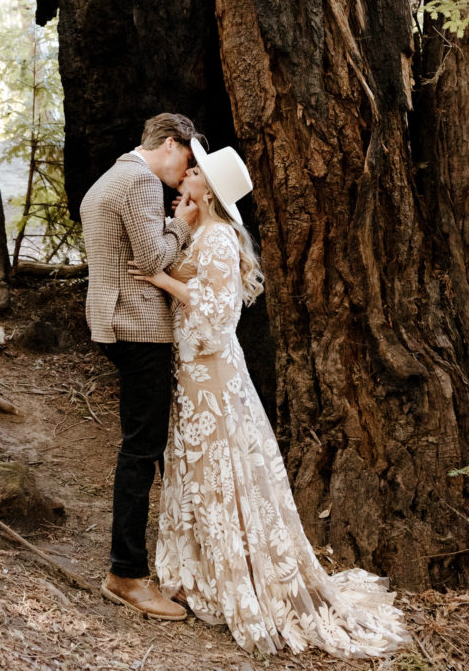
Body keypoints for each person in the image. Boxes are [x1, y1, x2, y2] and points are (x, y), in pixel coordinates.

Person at [128, 140, 411, 657]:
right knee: (200, 469)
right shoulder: (204, 232)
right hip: (195, 375)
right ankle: (201, 569)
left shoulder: (217, 240)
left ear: (207, 192)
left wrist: (160, 279)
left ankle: (230, 575)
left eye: (193, 174)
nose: (184, 176)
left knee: (220, 470)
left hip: (210, 376)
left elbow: (218, 314)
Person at [80, 113, 201, 621]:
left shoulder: (113, 175)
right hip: (138, 327)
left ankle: (168, 565)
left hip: (115, 320)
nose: (187, 171)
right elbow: (152, 258)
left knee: (146, 446)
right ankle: (126, 574)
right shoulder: (140, 182)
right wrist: (184, 225)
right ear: (170, 145)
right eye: (189, 159)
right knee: (142, 449)